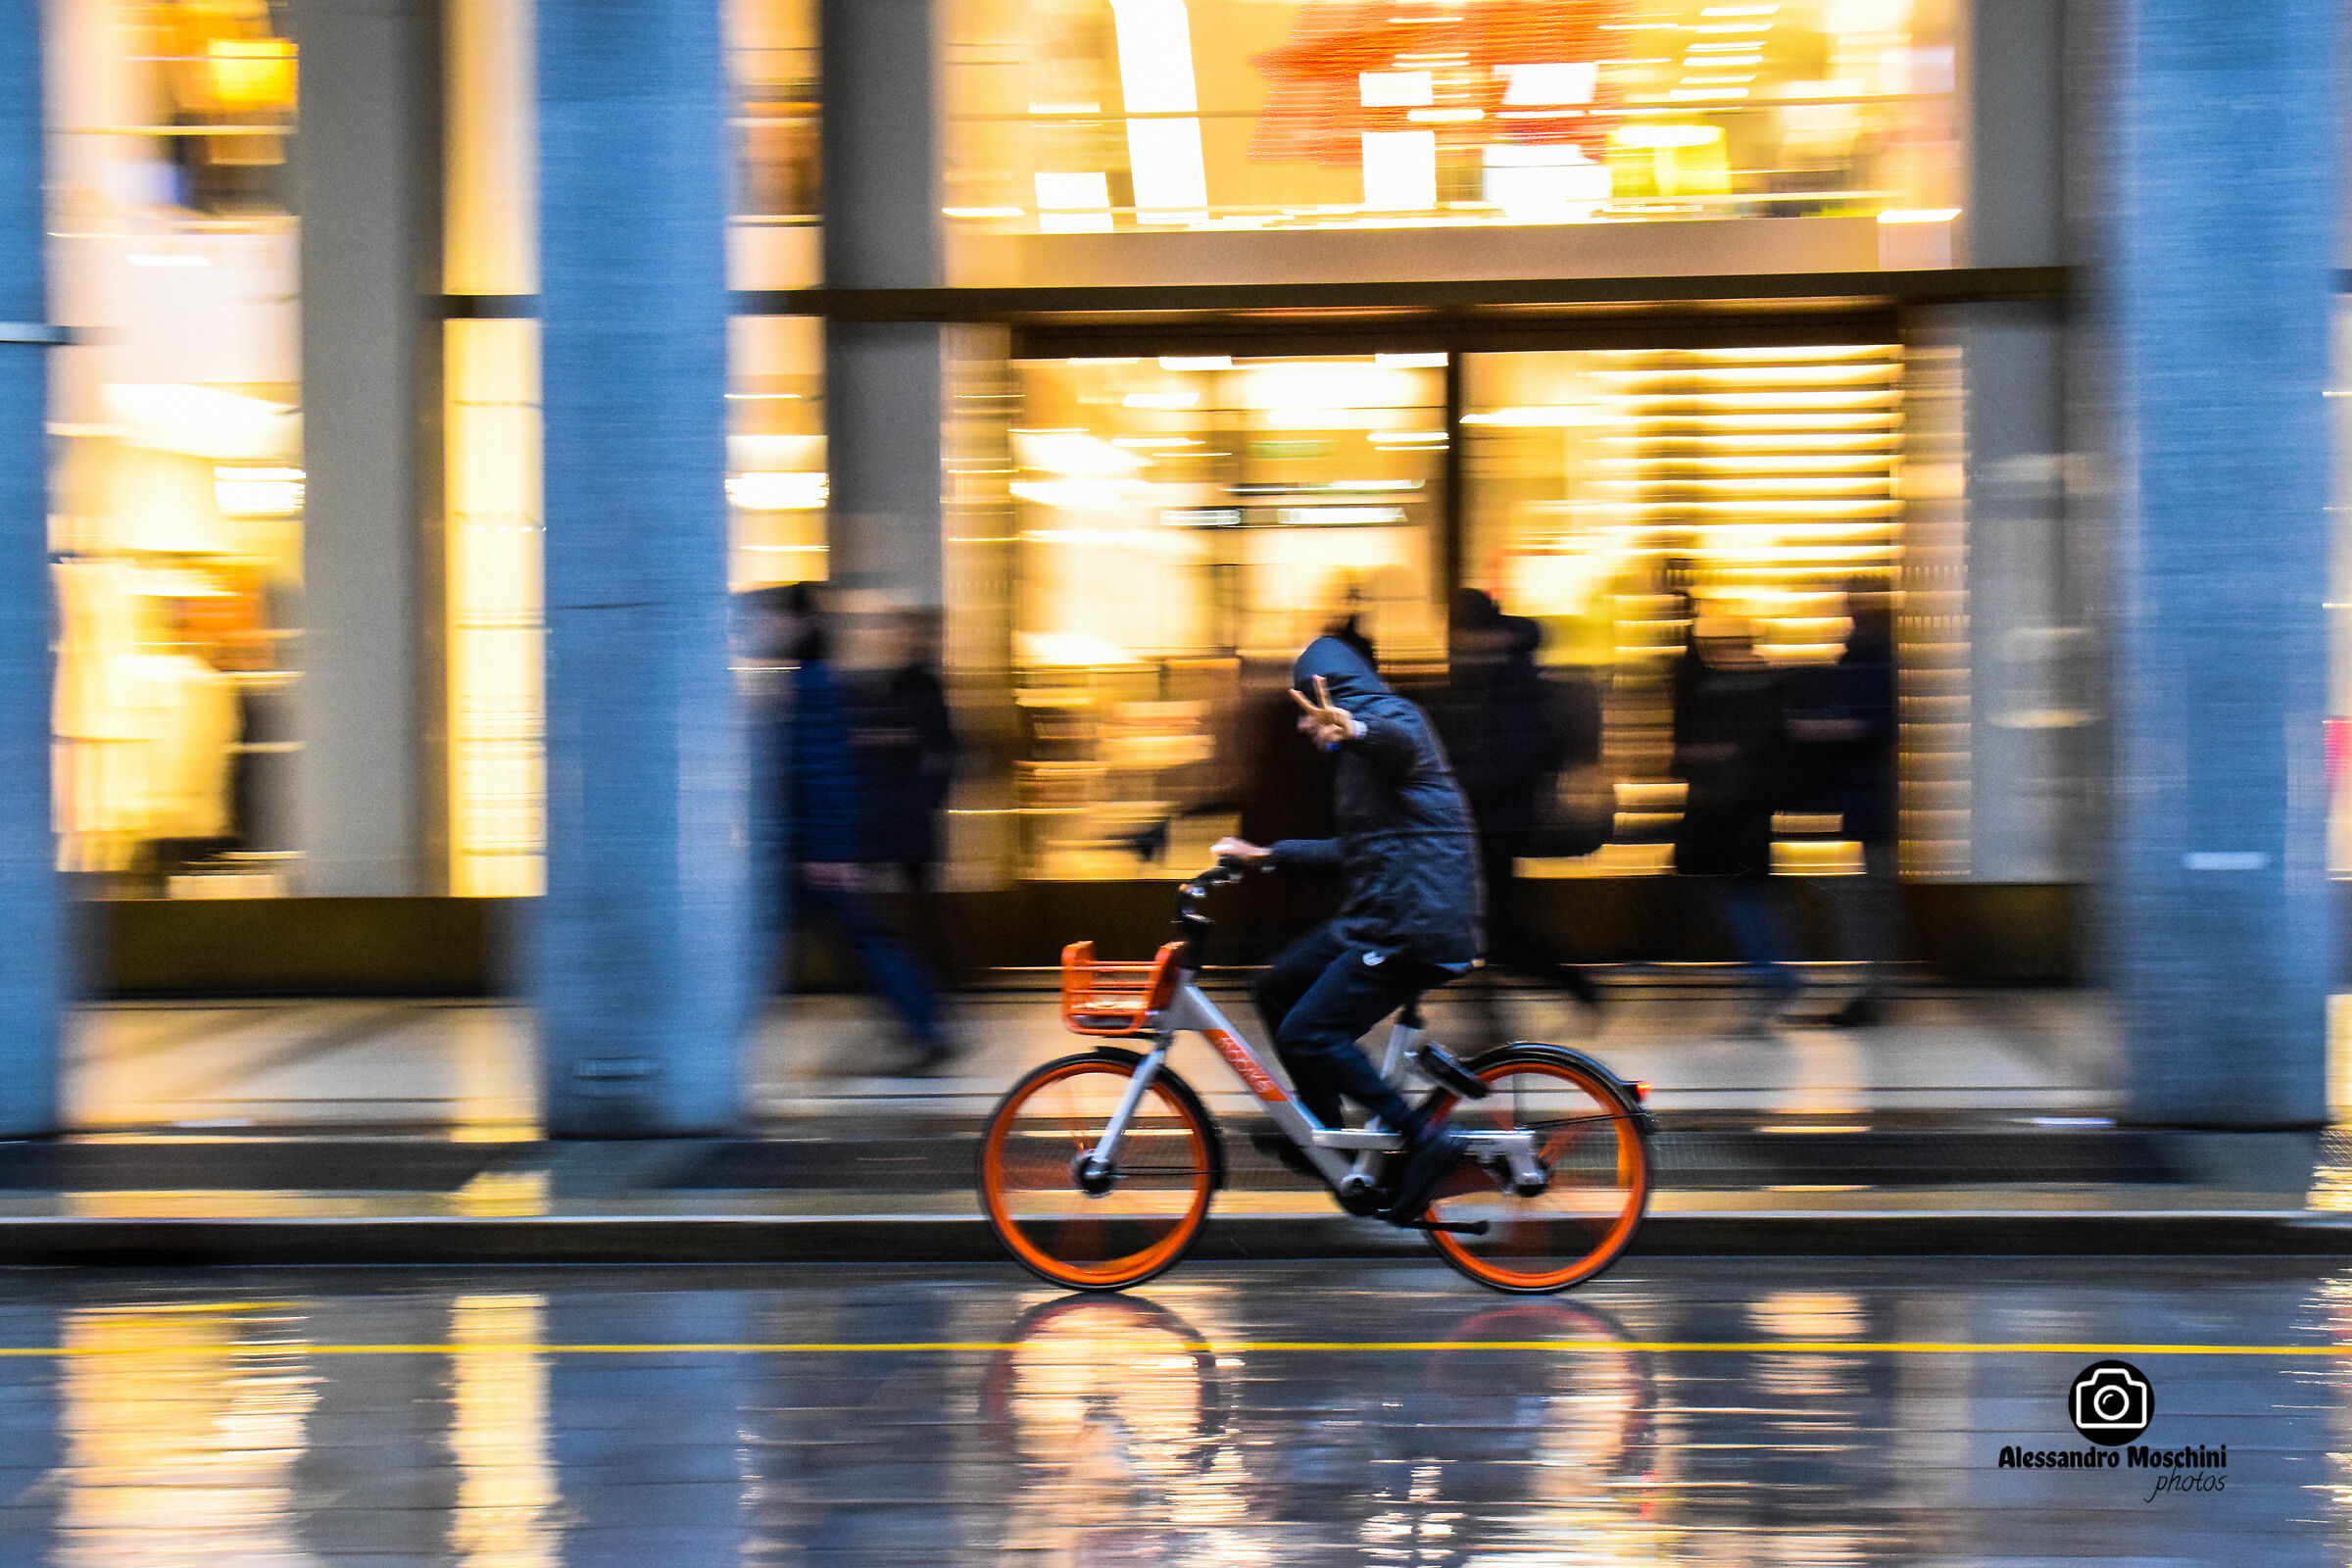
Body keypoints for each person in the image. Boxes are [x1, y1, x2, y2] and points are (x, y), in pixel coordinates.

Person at [1212, 633, 1483, 1217]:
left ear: (1327, 692)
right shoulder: (1354, 763)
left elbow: (1397, 742)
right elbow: (1357, 850)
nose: (1305, 729)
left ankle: (1422, 1139)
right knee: (1277, 987)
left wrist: (1352, 727)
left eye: (1307, 713)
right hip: (1380, 917)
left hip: (1411, 925)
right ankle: (1324, 1137)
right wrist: (1268, 855)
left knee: (1309, 1033)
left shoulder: (1388, 719)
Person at [751, 584, 953, 1073]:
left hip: (817, 850)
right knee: (860, 938)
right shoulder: (809, 683)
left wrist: (828, 849)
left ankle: (927, 1024)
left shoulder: (813, 687)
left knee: (857, 939)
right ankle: (925, 1024)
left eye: (777, 620)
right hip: (812, 846)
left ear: (799, 625)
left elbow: (824, 772)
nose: (767, 629)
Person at [1428, 588, 1603, 1044]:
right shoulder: (1481, 674)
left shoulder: (1511, 678)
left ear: (1485, 633)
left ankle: (1578, 988)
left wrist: (1458, 786)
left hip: (1499, 822)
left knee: (1497, 932)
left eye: (1463, 631)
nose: (1457, 641)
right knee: (1479, 926)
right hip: (1479, 822)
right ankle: (1488, 1018)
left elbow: (1516, 753)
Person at [1672, 613, 1799, 1030]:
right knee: (1746, 896)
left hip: (1723, 813)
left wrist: (1702, 758)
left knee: (1739, 898)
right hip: (1749, 813)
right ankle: (1773, 973)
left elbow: (1704, 750)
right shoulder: (1770, 686)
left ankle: (1774, 975)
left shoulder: (1722, 690)